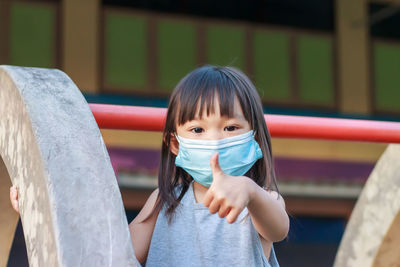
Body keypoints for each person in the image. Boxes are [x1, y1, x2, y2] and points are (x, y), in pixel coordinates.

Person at [11, 65, 289, 266]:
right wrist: (42, 210)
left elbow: (278, 229)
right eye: (197, 130)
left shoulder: (260, 203)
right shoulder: (164, 202)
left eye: (230, 127)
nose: (215, 141)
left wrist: (249, 191)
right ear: (175, 144)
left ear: (254, 136)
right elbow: (112, 250)